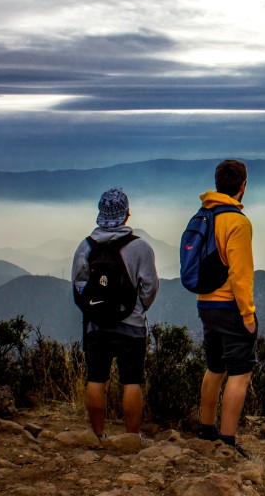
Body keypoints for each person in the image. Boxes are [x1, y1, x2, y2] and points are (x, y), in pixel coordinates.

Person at [72, 188, 159, 438]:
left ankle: (99, 435)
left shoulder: (86, 246)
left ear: (100, 214)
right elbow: (150, 287)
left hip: (96, 325)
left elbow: (79, 286)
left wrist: (92, 312)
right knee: (131, 382)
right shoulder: (140, 247)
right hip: (131, 325)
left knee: (96, 378)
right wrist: (137, 308)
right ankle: (131, 438)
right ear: (126, 214)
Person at [195, 159, 257, 455]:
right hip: (230, 305)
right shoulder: (237, 222)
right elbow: (240, 274)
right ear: (243, 186)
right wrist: (248, 314)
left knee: (214, 366)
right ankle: (227, 441)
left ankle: (206, 429)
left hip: (205, 303)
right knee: (240, 372)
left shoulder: (204, 214)